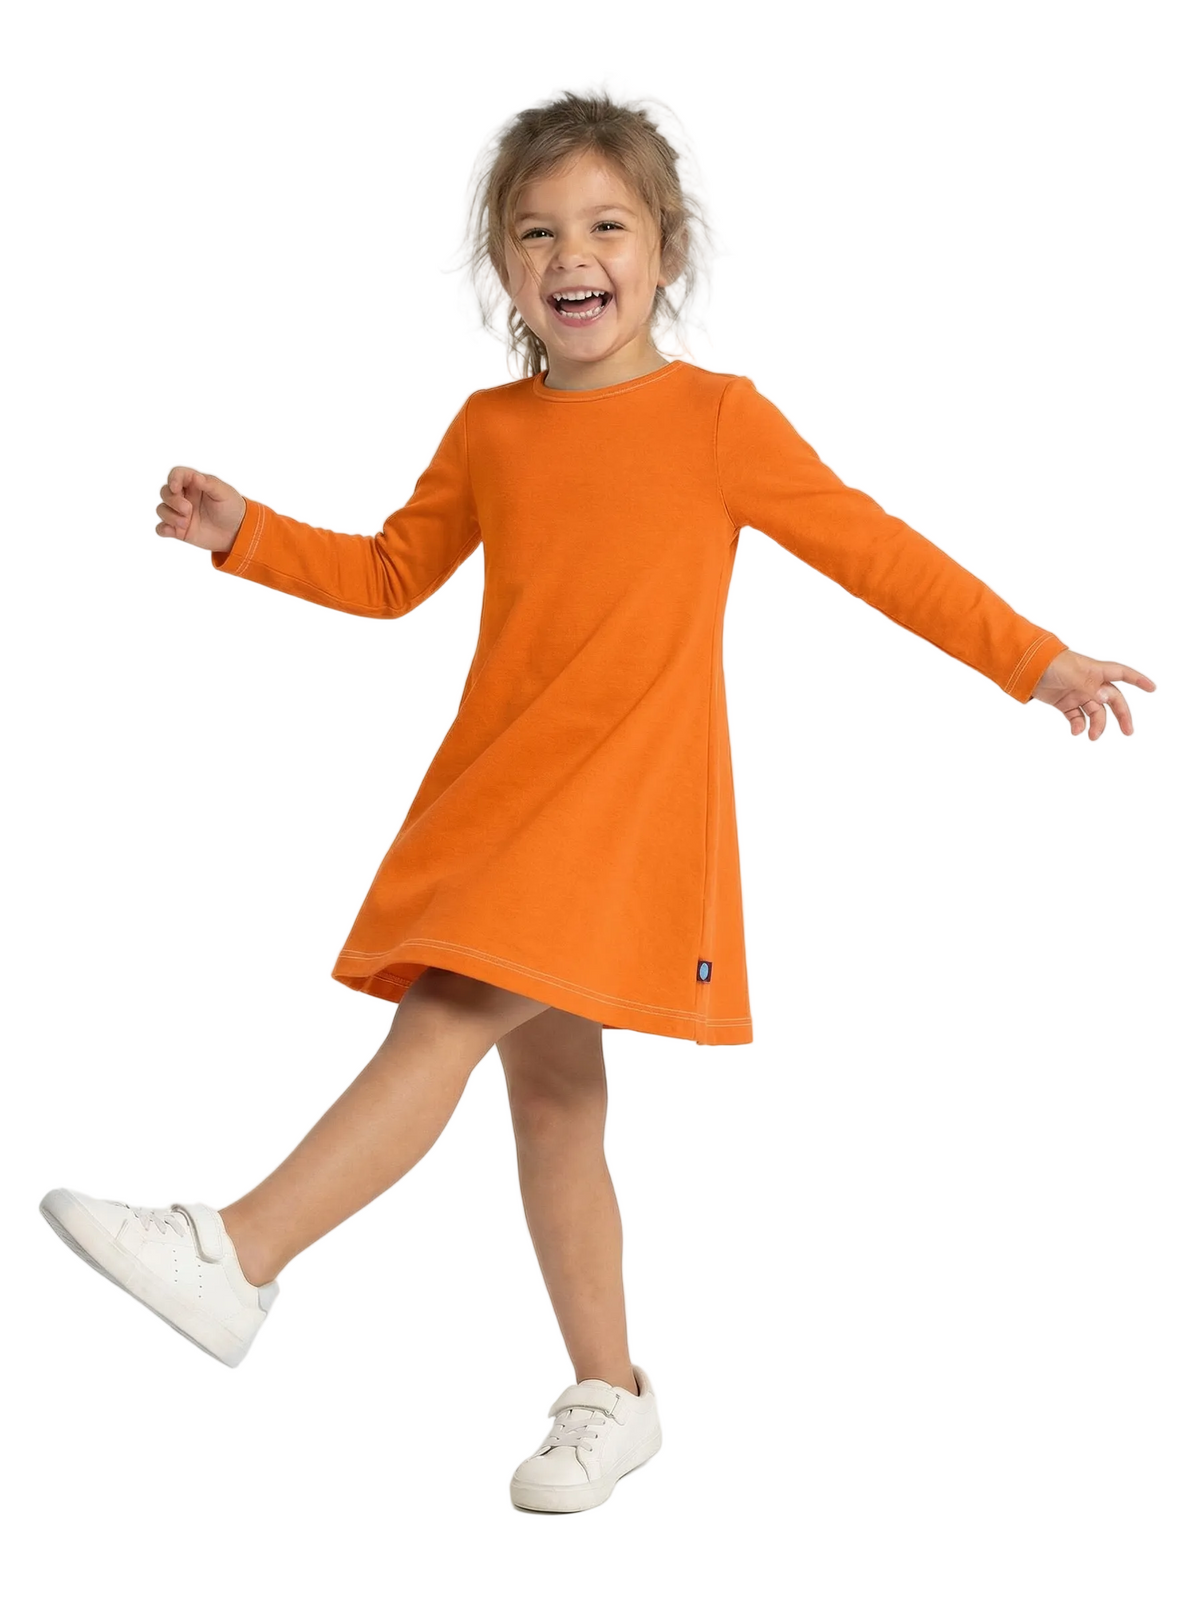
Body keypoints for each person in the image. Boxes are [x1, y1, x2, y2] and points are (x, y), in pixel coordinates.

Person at [38, 89, 1155, 1516]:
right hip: (503, 798)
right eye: (539, 231)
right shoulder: (492, 430)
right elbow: (391, 576)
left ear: (665, 251)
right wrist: (248, 534)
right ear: (506, 270)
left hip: (621, 819)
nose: (575, 253)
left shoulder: (718, 422)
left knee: (446, 1015)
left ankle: (238, 1254)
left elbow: (876, 548)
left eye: (608, 225)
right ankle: (612, 1395)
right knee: (556, 1107)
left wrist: (1034, 658)